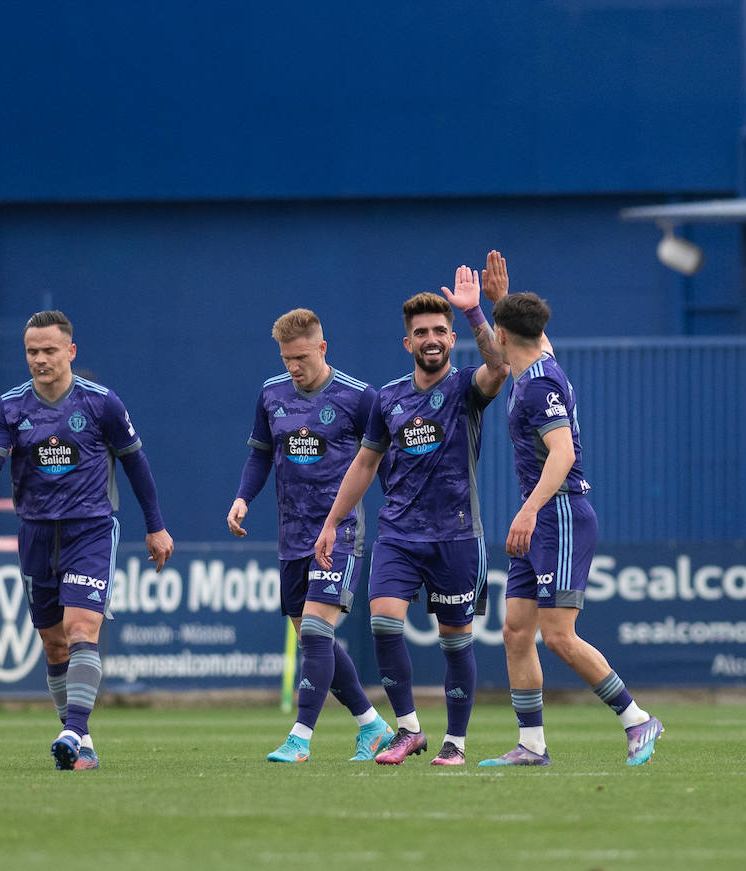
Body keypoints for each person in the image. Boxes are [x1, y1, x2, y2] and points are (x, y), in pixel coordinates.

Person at [0, 310, 174, 771]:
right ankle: (84, 742)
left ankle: (72, 731)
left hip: (90, 530)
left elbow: (136, 464)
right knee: (54, 644)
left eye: (49, 350)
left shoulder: (102, 404)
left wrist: (155, 526)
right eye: (32, 352)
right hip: (35, 533)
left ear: (71, 352)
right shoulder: (11, 406)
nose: (40, 359)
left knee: (81, 630)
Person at [314, 265, 509, 766]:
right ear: (408, 343)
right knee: (384, 622)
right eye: (421, 332)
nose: (431, 339)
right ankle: (408, 730)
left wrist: (474, 311)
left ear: (451, 338)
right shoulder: (388, 398)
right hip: (399, 533)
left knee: (455, 642)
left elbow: (499, 368)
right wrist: (332, 522)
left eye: (440, 330)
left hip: (457, 536)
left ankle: (455, 743)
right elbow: (364, 464)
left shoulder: (466, 387)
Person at [478, 251, 664, 767]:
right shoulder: (540, 361)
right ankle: (531, 745)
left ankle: (637, 719)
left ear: (502, 334)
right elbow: (528, 338)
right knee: (516, 631)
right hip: (541, 516)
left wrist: (528, 510)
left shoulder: (538, 385)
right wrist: (500, 303)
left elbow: (562, 455)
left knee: (558, 636)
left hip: (558, 514)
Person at [226, 308, 394, 763]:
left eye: (301, 357)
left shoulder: (359, 398)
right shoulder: (271, 393)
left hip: (339, 534)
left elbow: (381, 460)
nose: (293, 367)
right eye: (286, 359)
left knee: (318, 633)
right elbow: (261, 455)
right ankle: (372, 725)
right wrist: (243, 498)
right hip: (291, 537)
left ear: (322, 347)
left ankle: (299, 737)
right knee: (316, 642)